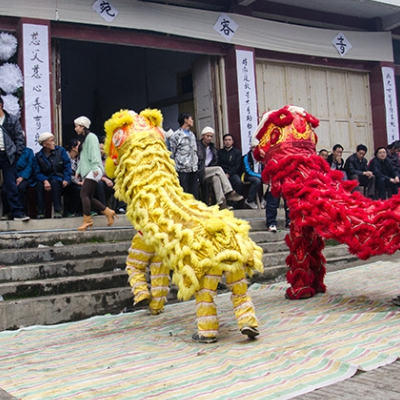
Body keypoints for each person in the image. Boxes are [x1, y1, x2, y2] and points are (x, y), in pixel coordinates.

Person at [74, 116, 117, 230]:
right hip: (89, 170)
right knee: (88, 196)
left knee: (84, 194)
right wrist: (78, 170)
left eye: (77, 126)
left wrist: (94, 167)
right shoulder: (85, 138)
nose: (75, 129)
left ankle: (87, 220)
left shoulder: (91, 137)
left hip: (94, 170)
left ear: (83, 126)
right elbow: (83, 157)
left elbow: (94, 154)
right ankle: (108, 212)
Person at [196, 126, 243, 209]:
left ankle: (221, 203)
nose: (209, 138)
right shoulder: (197, 146)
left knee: (216, 178)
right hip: (200, 171)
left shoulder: (213, 148)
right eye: (207, 136)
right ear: (203, 136)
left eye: (211, 136)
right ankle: (229, 192)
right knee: (218, 169)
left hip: (210, 171)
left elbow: (215, 161)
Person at [0, 95, 29, 221]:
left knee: (11, 185)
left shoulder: (11, 120)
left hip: (8, 155)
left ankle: (17, 212)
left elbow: (19, 139)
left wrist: (16, 153)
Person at [33, 132, 71, 219]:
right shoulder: (38, 156)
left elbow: (67, 166)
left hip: (59, 178)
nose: (54, 143)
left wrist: (66, 179)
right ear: (44, 144)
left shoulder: (60, 151)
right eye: (51, 141)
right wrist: (45, 180)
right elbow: (37, 172)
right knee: (39, 185)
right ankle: (41, 212)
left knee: (54, 182)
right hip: (45, 179)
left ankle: (57, 210)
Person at [169, 112, 199, 199]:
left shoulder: (192, 135)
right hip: (182, 169)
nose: (192, 121)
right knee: (184, 192)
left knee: (194, 191)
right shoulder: (176, 135)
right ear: (185, 120)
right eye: (191, 119)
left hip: (193, 167)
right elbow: (172, 153)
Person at [1, 145, 35, 220]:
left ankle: (22, 212)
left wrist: (22, 177)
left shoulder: (28, 151)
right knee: (4, 190)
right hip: (11, 176)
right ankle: (7, 212)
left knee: (20, 188)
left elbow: (30, 166)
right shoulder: (9, 152)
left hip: (25, 177)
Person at [95, 136, 126, 214]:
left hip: (110, 180)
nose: (101, 151)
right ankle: (103, 208)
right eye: (100, 149)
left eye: (103, 149)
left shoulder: (110, 158)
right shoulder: (95, 159)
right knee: (100, 184)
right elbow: (94, 173)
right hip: (100, 180)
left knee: (120, 182)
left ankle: (121, 207)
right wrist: (105, 179)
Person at [217, 133, 243, 197]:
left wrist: (229, 173)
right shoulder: (219, 152)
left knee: (237, 181)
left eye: (229, 140)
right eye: (225, 140)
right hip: (222, 173)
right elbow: (218, 164)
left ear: (232, 141)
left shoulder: (237, 152)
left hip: (233, 173)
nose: (227, 142)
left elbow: (237, 166)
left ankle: (236, 202)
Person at [63, 138, 83, 217]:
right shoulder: (65, 157)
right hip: (68, 181)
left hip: (80, 180)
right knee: (78, 189)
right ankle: (70, 211)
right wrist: (77, 181)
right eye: (79, 146)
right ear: (73, 148)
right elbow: (65, 172)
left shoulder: (80, 157)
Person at [243, 142, 264, 209]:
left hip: (261, 174)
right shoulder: (247, 157)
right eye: (253, 147)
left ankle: (265, 199)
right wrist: (259, 176)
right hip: (249, 176)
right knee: (257, 181)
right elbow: (248, 171)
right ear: (251, 148)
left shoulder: (262, 156)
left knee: (273, 181)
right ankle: (249, 200)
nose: (255, 149)